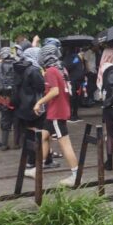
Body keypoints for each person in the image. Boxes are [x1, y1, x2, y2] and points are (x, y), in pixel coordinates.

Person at [30, 45, 79, 187]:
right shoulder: (60, 69)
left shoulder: (51, 71)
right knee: (44, 137)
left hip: (57, 112)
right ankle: (38, 168)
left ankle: (76, 175)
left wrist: (38, 103)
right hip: (56, 111)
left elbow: (55, 91)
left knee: (65, 144)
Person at [0, 47, 19, 150]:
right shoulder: (17, 64)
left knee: (5, 117)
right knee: (16, 117)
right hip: (15, 95)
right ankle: (16, 143)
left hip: (3, 96)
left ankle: (4, 144)